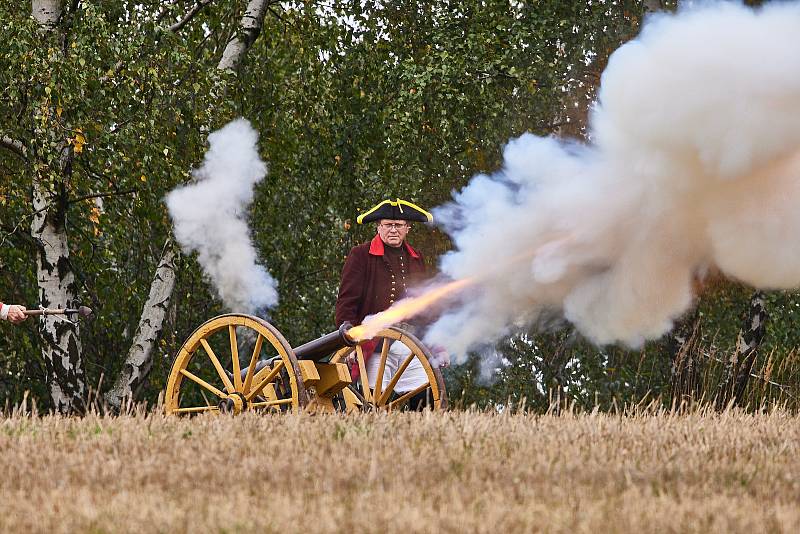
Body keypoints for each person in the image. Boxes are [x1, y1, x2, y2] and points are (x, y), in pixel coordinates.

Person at [335, 198, 447, 409]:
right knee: (372, 405)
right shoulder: (360, 255)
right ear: (378, 227)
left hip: (411, 344)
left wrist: (438, 344)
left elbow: (425, 306)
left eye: (398, 225)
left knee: (427, 402)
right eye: (387, 224)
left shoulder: (416, 258)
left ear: (408, 228)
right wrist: (348, 342)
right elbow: (347, 303)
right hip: (375, 344)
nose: (393, 230)